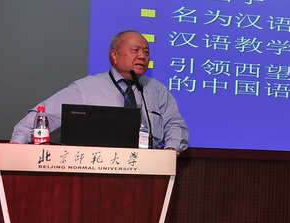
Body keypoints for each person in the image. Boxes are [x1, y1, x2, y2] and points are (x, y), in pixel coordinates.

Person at [10, 30, 189, 152]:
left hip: (149, 171)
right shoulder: (86, 88)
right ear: (114, 55)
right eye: (135, 50)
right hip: (99, 172)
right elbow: (41, 116)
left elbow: (175, 124)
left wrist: (171, 149)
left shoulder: (156, 89)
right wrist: (16, 147)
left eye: (146, 52)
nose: (142, 56)